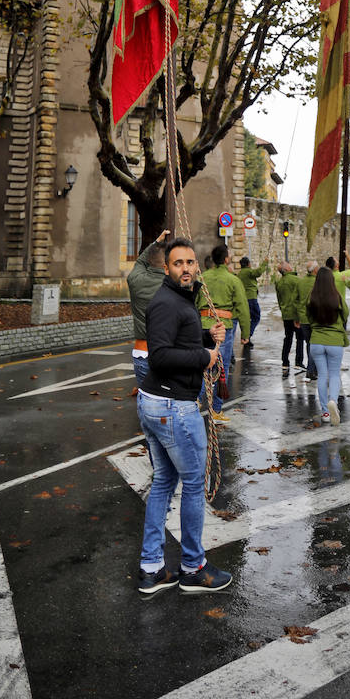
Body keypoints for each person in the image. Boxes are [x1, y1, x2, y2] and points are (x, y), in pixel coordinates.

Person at [136, 236, 231, 597]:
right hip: (172, 407)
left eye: (191, 263)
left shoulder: (180, 300)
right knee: (192, 485)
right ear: (167, 268)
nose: (187, 269)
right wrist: (205, 358)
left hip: (159, 404)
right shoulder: (165, 303)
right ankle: (193, 568)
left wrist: (207, 336)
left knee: (163, 482)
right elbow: (159, 355)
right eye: (179, 263)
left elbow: (178, 340)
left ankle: (151, 569)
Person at [198, 244, 250, 416]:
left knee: (200, 365)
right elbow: (243, 308)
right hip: (223, 328)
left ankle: (195, 401)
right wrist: (245, 333)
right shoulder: (233, 280)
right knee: (221, 368)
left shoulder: (202, 277)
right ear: (226, 259)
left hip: (203, 325)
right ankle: (216, 410)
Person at [306, 265, 350, 425]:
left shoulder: (311, 297)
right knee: (334, 375)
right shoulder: (336, 297)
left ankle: (325, 411)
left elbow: (308, 317)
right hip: (334, 341)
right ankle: (333, 402)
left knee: (322, 376)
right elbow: (345, 314)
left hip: (316, 341)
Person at [126, 227, 170, 387]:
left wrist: (156, 242)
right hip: (167, 352)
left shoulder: (134, 279)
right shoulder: (173, 286)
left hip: (141, 351)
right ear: (168, 264)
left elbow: (140, 261)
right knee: (169, 401)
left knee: (146, 398)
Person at [274, 260, 304, 374]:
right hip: (295, 314)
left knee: (288, 338)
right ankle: (298, 362)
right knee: (300, 339)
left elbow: (279, 299)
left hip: (286, 314)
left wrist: (283, 310)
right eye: (289, 264)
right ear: (287, 269)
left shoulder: (279, 282)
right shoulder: (296, 280)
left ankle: (285, 362)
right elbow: (299, 299)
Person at [236, 256, 268, 346]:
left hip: (244, 298)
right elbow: (258, 272)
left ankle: (247, 337)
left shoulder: (240, 273)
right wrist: (264, 263)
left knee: (247, 319)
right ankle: (247, 335)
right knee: (256, 317)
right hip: (251, 298)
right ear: (248, 264)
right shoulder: (248, 271)